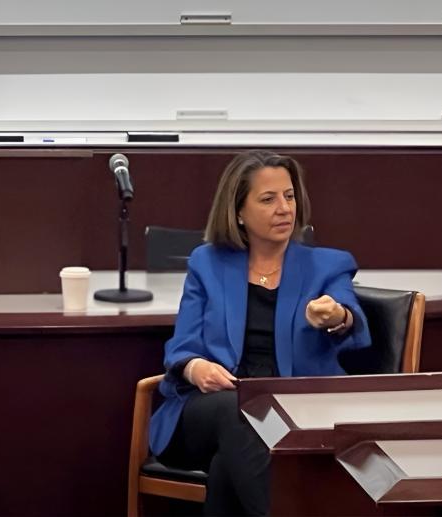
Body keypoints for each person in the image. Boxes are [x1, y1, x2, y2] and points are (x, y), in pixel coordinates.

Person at [148, 150, 371, 516]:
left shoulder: (328, 265)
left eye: (289, 196)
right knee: (239, 414)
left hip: (297, 415)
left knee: (227, 465)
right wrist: (195, 368)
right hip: (212, 409)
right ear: (238, 211)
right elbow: (181, 346)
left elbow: (348, 315)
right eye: (268, 199)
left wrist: (336, 316)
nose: (284, 208)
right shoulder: (207, 263)